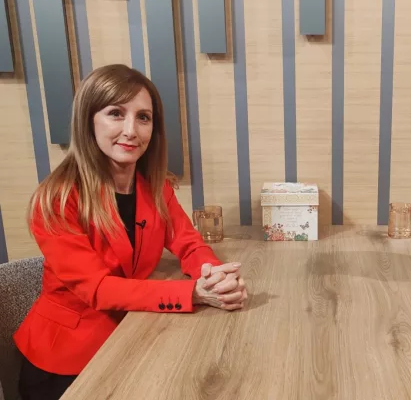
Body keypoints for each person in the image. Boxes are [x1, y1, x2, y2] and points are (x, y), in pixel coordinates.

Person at [13, 64, 249, 400]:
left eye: (143, 117)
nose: (131, 130)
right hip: (65, 363)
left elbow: (189, 243)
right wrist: (193, 293)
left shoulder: (156, 187)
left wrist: (213, 276)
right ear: (88, 121)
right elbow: (98, 289)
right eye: (115, 113)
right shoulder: (57, 199)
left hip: (133, 334)